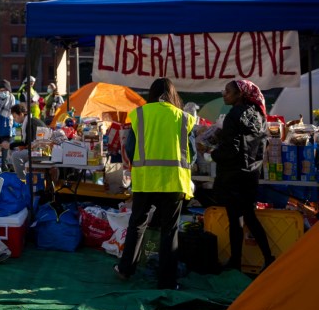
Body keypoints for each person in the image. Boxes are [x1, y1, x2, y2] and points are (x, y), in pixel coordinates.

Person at [115, 77, 196, 290]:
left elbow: (130, 149)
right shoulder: (183, 118)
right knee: (169, 230)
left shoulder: (140, 115)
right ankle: (167, 281)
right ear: (173, 94)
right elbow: (192, 153)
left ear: (151, 93)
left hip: (145, 180)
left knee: (137, 223)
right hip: (174, 182)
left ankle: (126, 269)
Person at [209, 80, 274, 271]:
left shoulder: (233, 116)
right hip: (251, 174)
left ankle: (236, 261)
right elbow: (260, 146)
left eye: (228, 92)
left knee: (235, 218)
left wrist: (212, 153)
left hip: (232, 175)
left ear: (239, 95)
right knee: (249, 216)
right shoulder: (260, 116)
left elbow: (231, 149)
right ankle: (267, 257)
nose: (224, 94)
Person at [2, 103, 46, 182]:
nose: (15, 119)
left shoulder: (31, 123)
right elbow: (25, 142)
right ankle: (21, 176)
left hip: (41, 152)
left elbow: (28, 143)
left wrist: (10, 145)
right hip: (38, 149)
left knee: (16, 155)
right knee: (13, 152)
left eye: (15, 116)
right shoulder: (28, 122)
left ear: (21, 114)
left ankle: (22, 180)